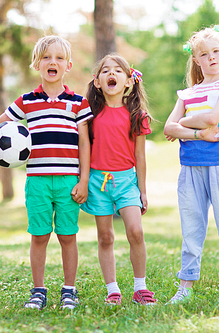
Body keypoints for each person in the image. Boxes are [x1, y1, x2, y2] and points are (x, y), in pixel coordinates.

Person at [0, 35, 93, 310]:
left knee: (68, 236)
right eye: (46, 57)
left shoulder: (78, 103)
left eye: (58, 58)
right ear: (37, 63)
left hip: (69, 181)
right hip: (37, 182)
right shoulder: (26, 101)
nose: (52, 62)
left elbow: (84, 142)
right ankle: (38, 290)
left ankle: (69, 289)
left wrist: (84, 179)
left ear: (68, 65)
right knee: (40, 236)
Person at [163, 25, 219, 307]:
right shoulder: (186, 94)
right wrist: (197, 132)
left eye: (216, 52)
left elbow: (214, 117)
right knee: (191, 227)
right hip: (191, 167)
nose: (211, 58)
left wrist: (184, 123)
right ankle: (186, 285)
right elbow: (166, 128)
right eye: (204, 54)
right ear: (196, 59)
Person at [81, 54, 156, 306]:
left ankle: (140, 288)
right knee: (105, 237)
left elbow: (140, 156)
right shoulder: (90, 115)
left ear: (128, 82)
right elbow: (85, 149)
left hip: (126, 182)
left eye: (117, 71)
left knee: (135, 231)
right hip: (97, 182)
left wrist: (142, 190)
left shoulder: (137, 115)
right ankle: (112, 289)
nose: (111, 73)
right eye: (105, 71)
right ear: (98, 82)